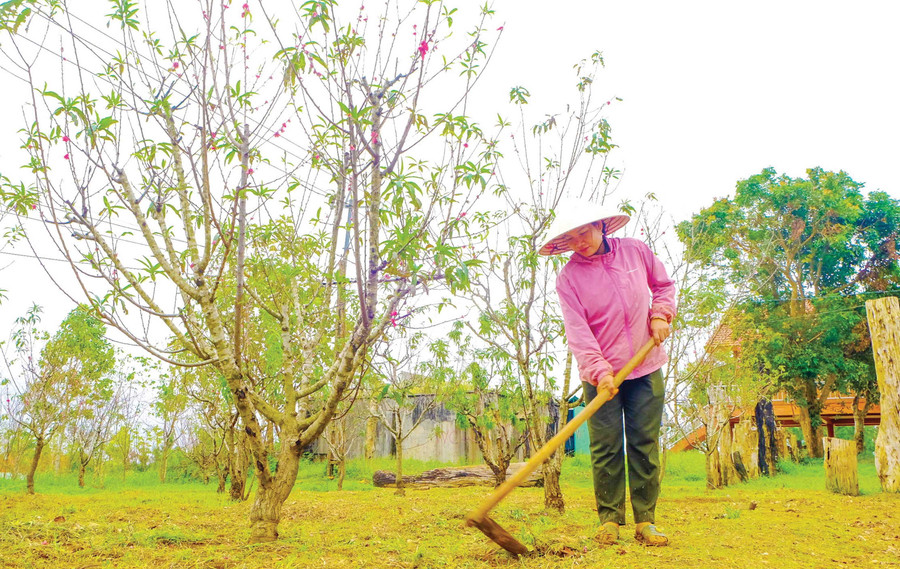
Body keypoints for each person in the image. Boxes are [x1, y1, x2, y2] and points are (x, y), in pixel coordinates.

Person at [539, 205, 676, 547]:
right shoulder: (568, 279)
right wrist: (601, 373)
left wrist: (660, 316)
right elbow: (579, 333)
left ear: (601, 224)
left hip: (645, 368)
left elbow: (663, 286)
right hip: (600, 375)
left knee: (644, 442)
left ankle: (646, 521)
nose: (579, 242)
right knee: (606, 447)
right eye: (569, 238)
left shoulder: (634, 251)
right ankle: (609, 520)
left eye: (583, 232)